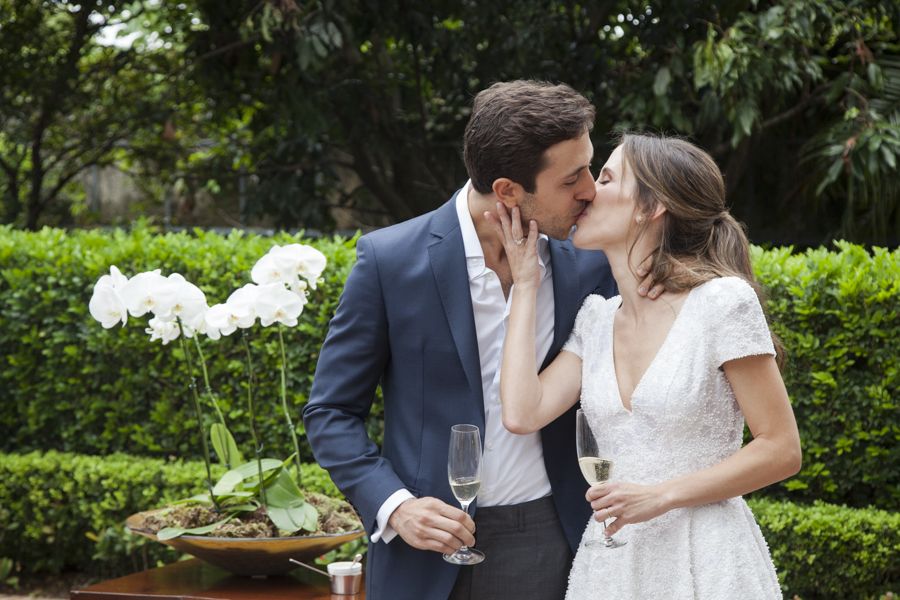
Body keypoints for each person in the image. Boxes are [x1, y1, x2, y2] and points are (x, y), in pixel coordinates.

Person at [302, 81, 661, 600]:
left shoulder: (592, 264)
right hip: (421, 553)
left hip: (550, 540)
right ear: (508, 191)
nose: (590, 189)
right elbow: (331, 411)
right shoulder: (390, 261)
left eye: (590, 168)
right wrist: (396, 507)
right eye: (572, 178)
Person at [495, 132, 802, 599]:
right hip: (613, 563)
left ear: (651, 206)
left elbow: (781, 448)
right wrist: (525, 284)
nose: (588, 191)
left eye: (606, 178)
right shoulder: (596, 319)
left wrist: (661, 495)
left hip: (707, 559)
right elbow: (522, 412)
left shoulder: (722, 303)